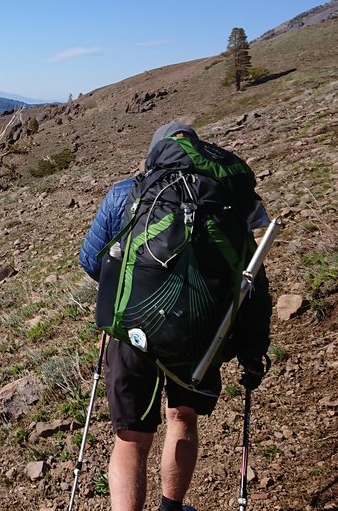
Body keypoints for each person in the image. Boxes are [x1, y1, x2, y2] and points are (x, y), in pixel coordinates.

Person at [79, 121, 272, 511]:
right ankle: (171, 508)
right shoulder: (230, 197)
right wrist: (253, 350)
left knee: (131, 439)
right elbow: (251, 278)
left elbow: (91, 261)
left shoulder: (126, 193)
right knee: (182, 417)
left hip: (134, 331)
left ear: (156, 152)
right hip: (203, 332)